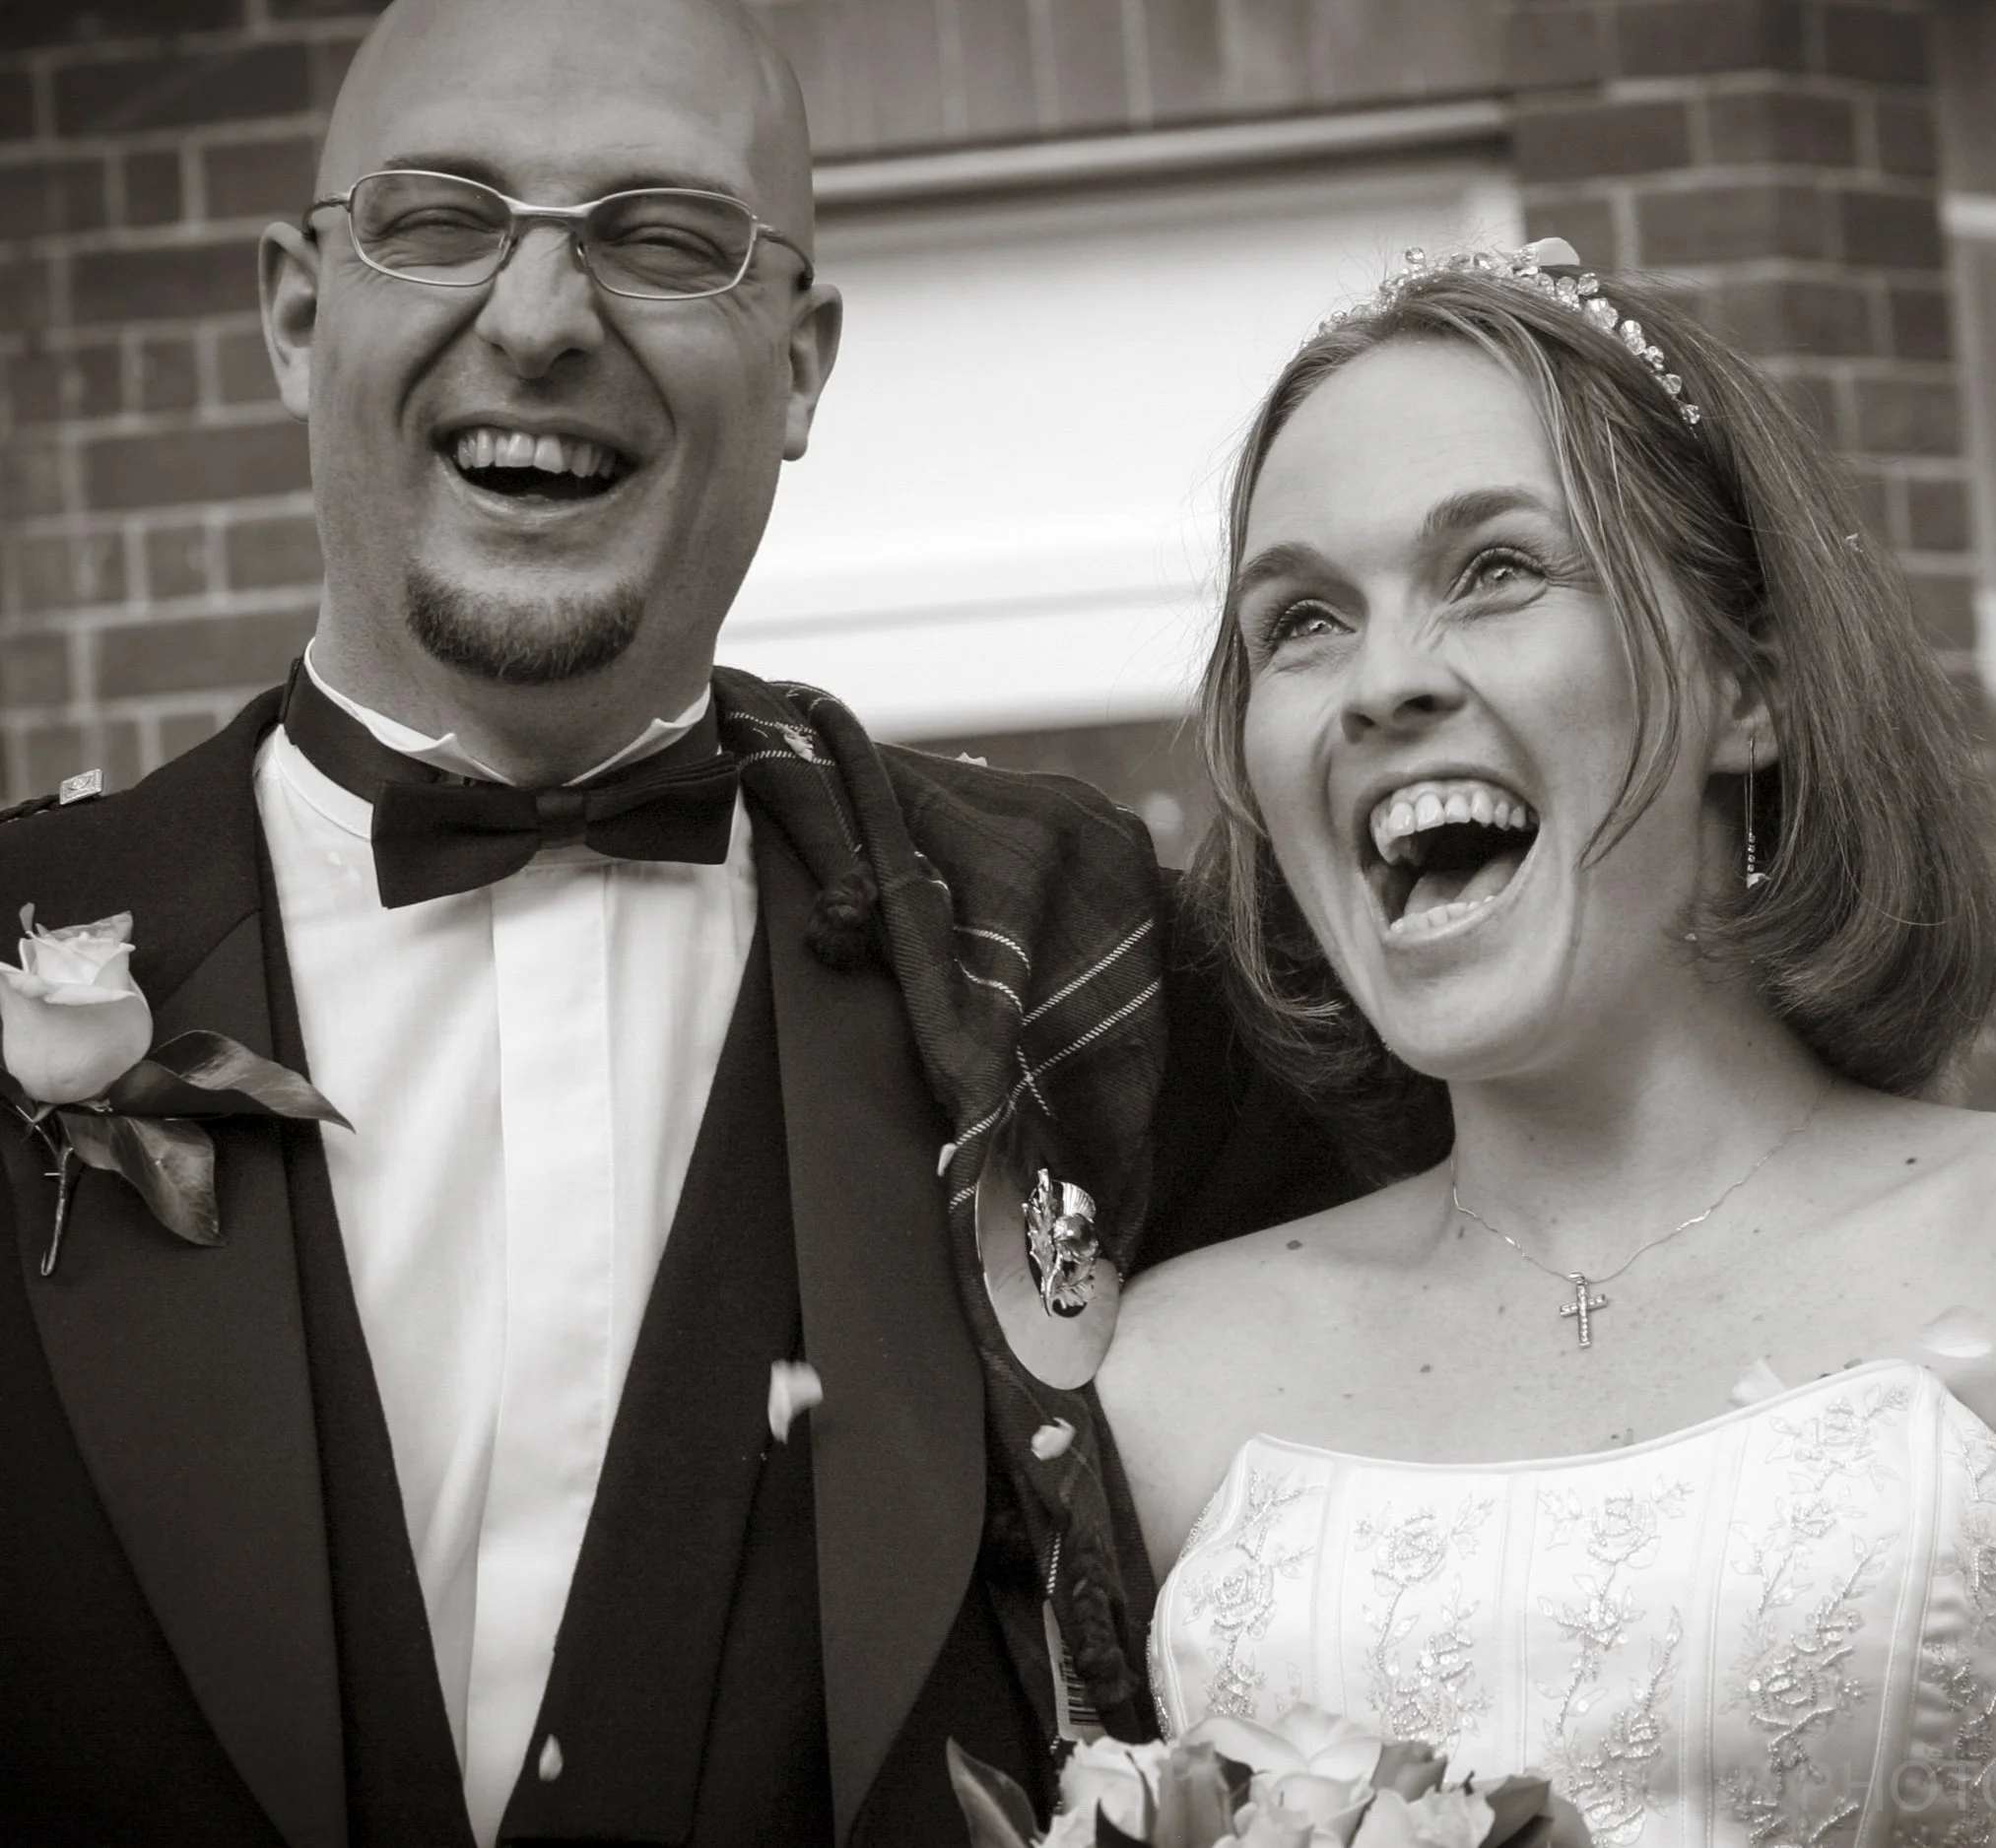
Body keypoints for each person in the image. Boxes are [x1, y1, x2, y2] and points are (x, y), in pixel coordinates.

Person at [0, 3, 1357, 1843]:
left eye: (662, 240)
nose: (544, 321)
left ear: (799, 366)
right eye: (443, 217)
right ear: (300, 310)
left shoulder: (1079, 954)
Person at [1099, 247, 1996, 1843]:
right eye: (1300, 621)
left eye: (1493, 570)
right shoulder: (1157, 1377)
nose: (1381, 684)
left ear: (1745, 684)